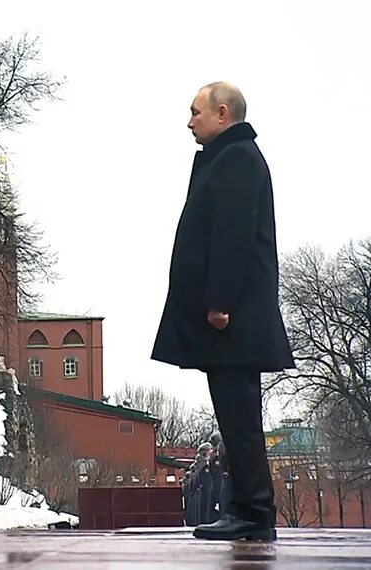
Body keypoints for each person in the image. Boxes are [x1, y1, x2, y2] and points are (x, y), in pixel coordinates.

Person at [151, 81, 294, 542]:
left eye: (195, 112)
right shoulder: (230, 159)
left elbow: (232, 235)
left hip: (233, 319)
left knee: (240, 420)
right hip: (232, 318)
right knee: (236, 419)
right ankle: (247, 510)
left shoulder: (236, 159)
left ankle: (253, 515)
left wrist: (219, 301)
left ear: (222, 112)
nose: (189, 121)